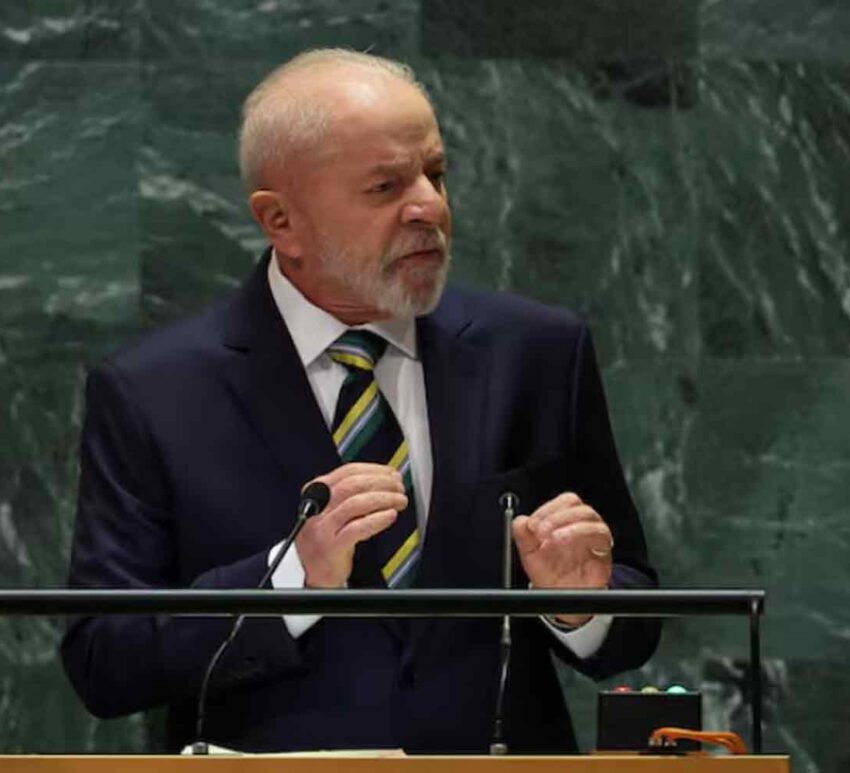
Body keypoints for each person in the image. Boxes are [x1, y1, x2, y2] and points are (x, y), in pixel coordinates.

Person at [61, 49, 660, 754]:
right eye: (385, 188)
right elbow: (104, 657)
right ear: (281, 221)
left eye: (436, 174)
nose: (430, 208)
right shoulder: (154, 390)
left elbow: (634, 617)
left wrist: (579, 599)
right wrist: (291, 578)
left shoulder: (535, 352)